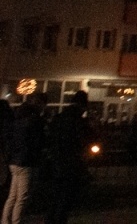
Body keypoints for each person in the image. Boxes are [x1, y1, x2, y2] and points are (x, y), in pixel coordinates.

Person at [43, 89, 92, 224]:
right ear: (83, 105)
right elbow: (86, 138)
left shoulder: (59, 117)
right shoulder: (78, 121)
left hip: (56, 161)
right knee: (65, 199)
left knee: (55, 197)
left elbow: (50, 137)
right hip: (71, 164)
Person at [3, 94, 45, 224]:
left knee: (13, 195)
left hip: (14, 160)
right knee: (22, 196)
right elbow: (37, 142)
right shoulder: (34, 121)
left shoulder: (17, 118)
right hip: (25, 161)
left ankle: (5, 220)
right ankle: (16, 221)